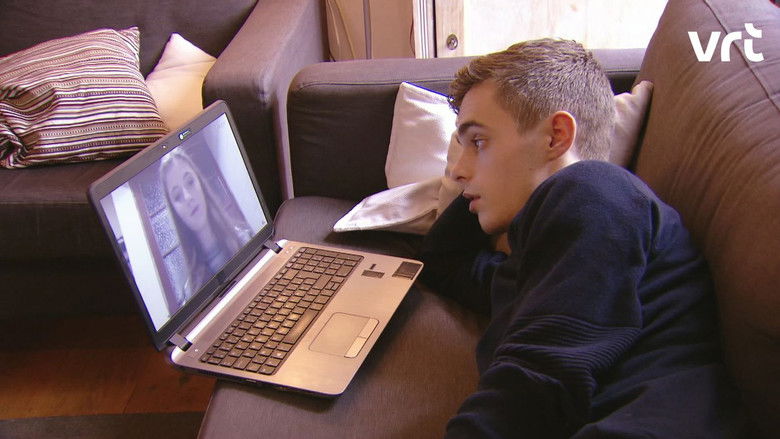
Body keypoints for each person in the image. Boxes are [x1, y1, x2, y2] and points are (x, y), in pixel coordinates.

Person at [420, 39, 742, 437]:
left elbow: (542, 373)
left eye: (479, 142)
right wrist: (487, 183)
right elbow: (444, 262)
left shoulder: (595, 191)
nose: (457, 171)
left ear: (556, 136)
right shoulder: (542, 263)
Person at [160, 147, 252, 308]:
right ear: (175, 212)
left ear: (200, 183)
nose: (188, 197)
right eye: (177, 196)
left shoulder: (246, 240)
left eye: (190, 182)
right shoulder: (191, 292)